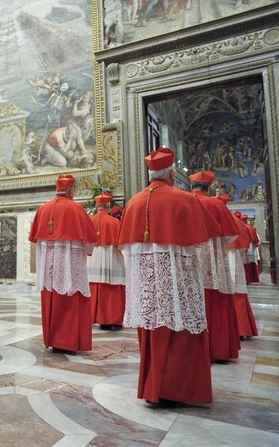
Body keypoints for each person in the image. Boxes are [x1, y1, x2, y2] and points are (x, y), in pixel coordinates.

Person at [117, 147, 221, 406]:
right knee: (180, 328)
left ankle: (153, 388)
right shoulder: (184, 199)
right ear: (172, 174)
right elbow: (206, 237)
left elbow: (124, 246)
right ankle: (178, 390)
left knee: (153, 329)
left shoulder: (133, 202)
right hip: (177, 282)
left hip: (147, 287)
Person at [29, 174, 97, 354]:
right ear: (71, 191)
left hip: (48, 267)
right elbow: (90, 238)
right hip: (69, 264)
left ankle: (53, 339)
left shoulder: (43, 209)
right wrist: (87, 250)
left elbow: (35, 239)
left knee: (51, 294)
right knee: (69, 294)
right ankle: (68, 341)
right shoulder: (75, 208)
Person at [189, 171, 242, 363]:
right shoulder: (216, 204)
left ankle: (193, 351)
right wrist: (217, 244)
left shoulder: (184, 201)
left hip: (188, 257)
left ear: (191, 186)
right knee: (216, 298)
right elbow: (232, 235)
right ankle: (218, 350)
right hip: (212, 257)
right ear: (209, 188)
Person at [87, 192, 126, 331]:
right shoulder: (115, 222)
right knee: (113, 286)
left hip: (93, 260)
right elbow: (122, 245)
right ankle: (114, 320)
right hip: (112, 259)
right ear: (108, 206)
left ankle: (98, 318)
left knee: (95, 286)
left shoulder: (89, 221)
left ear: (97, 206)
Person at [226, 210, 259, 339]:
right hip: (234, 254)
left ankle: (239, 328)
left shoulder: (231, 220)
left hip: (229, 255)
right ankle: (241, 328)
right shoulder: (238, 223)